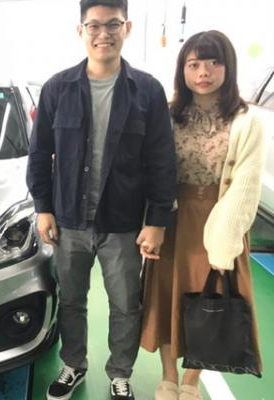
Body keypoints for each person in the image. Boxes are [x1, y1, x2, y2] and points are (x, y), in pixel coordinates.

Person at [26, 0, 177, 399]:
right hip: (69, 219)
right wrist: (43, 208)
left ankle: (120, 372)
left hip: (123, 221)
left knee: (126, 304)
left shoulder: (147, 91)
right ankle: (73, 364)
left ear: (127, 28)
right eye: (94, 25)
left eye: (113, 24)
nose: (103, 34)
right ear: (81, 31)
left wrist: (157, 220)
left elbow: (162, 160)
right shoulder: (57, 88)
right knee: (71, 300)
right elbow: (39, 153)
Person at [140, 30, 265, 400]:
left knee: (212, 299)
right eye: (193, 64)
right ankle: (168, 376)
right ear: (183, 70)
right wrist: (151, 223)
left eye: (213, 62)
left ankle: (191, 380)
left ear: (228, 66)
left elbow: (246, 185)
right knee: (167, 297)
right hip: (172, 218)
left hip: (221, 219)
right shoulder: (168, 113)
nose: (203, 72)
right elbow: (152, 171)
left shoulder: (246, 120)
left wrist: (225, 241)